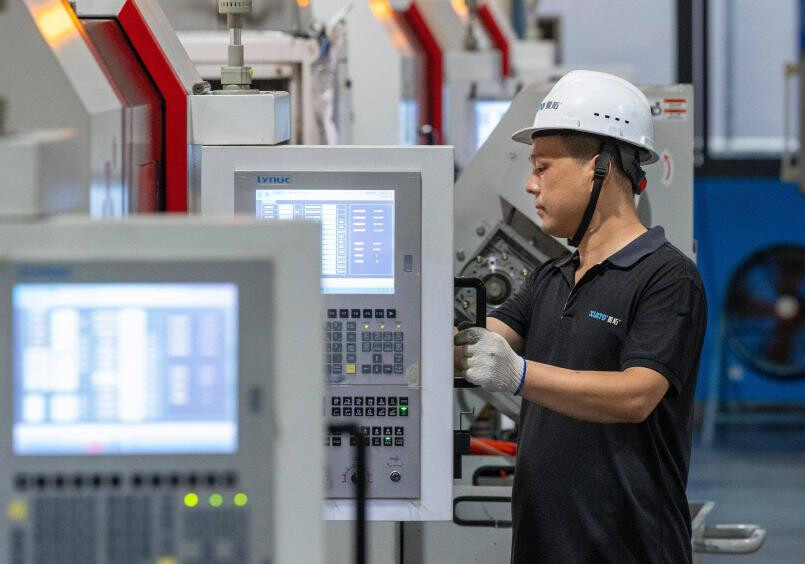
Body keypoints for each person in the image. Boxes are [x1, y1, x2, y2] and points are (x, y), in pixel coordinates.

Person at [454, 70, 707, 563]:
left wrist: (518, 373)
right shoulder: (552, 278)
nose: (530, 185)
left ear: (599, 167)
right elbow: (478, 344)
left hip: (628, 551)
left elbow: (637, 395)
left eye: (542, 167)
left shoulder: (668, 278)